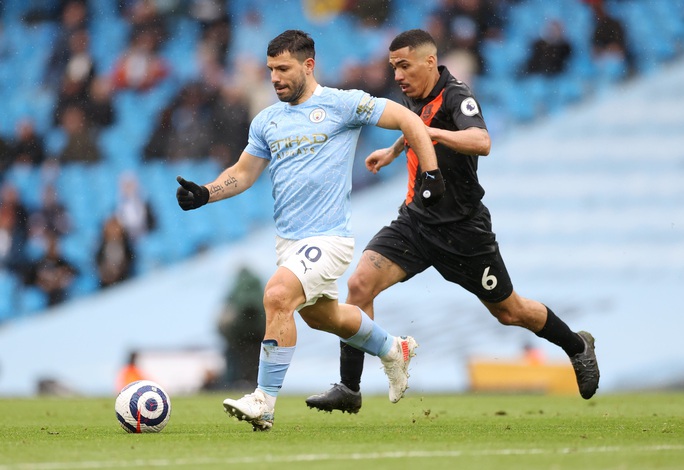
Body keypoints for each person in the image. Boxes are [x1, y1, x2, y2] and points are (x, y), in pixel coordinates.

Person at [305, 29, 600, 414]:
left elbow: (482, 142)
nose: (397, 75)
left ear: (430, 61)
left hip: (463, 230)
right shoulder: (415, 93)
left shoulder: (457, 96)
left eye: (404, 65)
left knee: (510, 312)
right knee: (360, 285)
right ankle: (349, 387)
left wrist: (430, 134)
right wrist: (395, 150)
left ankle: (577, 345)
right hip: (415, 221)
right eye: (393, 67)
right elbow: (415, 125)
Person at [175, 29, 445, 431]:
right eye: (270, 70)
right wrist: (205, 193)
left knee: (278, 294)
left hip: (329, 238)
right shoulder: (267, 120)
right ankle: (394, 348)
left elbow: (407, 117)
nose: (275, 77)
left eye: (283, 68)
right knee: (323, 317)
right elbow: (243, 173)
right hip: (290, 243)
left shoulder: (342, 104)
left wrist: (432, 172)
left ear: (308, 65)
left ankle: (264, 402)